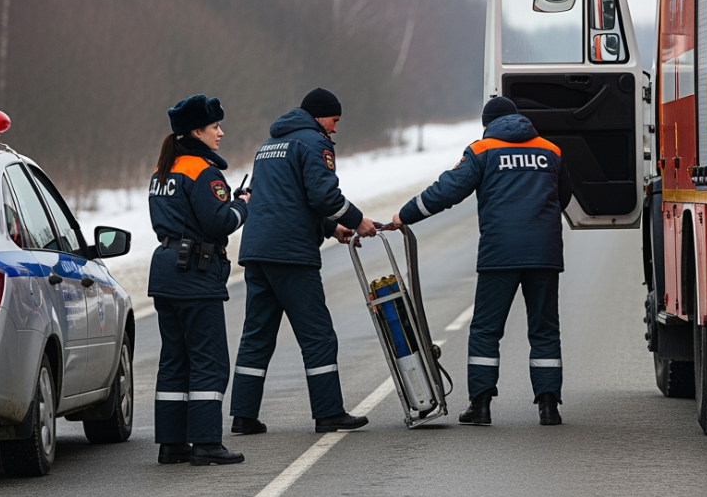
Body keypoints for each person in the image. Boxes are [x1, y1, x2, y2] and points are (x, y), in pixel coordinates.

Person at [385, 97, 571, 426]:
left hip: (499, 254)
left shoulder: (482, 150)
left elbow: (447, 191)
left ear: (488, 125)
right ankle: (548, 406)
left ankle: (481, 405)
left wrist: (406, 215)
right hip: (544, 254)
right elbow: (565, 195)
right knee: (544, 330)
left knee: (486, 330)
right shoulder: (550, 151)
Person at [230, 88, 378, 435]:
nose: (336, 129)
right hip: (291, 253)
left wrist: (332, 228)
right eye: (335, 120)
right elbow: (323, 194)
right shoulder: (314, 143)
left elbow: (286, 198)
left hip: (257, 250)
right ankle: (328, 412)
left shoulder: (268, 146)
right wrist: (358, 221)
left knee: (257, 336)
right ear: (320, 116)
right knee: (318, 335)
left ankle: (243, 415)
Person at [148, 94, 250, 466]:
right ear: (196, 131)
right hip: (195, 274)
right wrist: (242, 204)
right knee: (209, 360)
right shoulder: (202, 171)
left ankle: (172, 444)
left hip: (165, 271)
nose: (221, 133)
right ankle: (206, 442)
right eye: (215, 127)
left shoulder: (163, 170)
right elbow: (219, 223)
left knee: (174, 359)